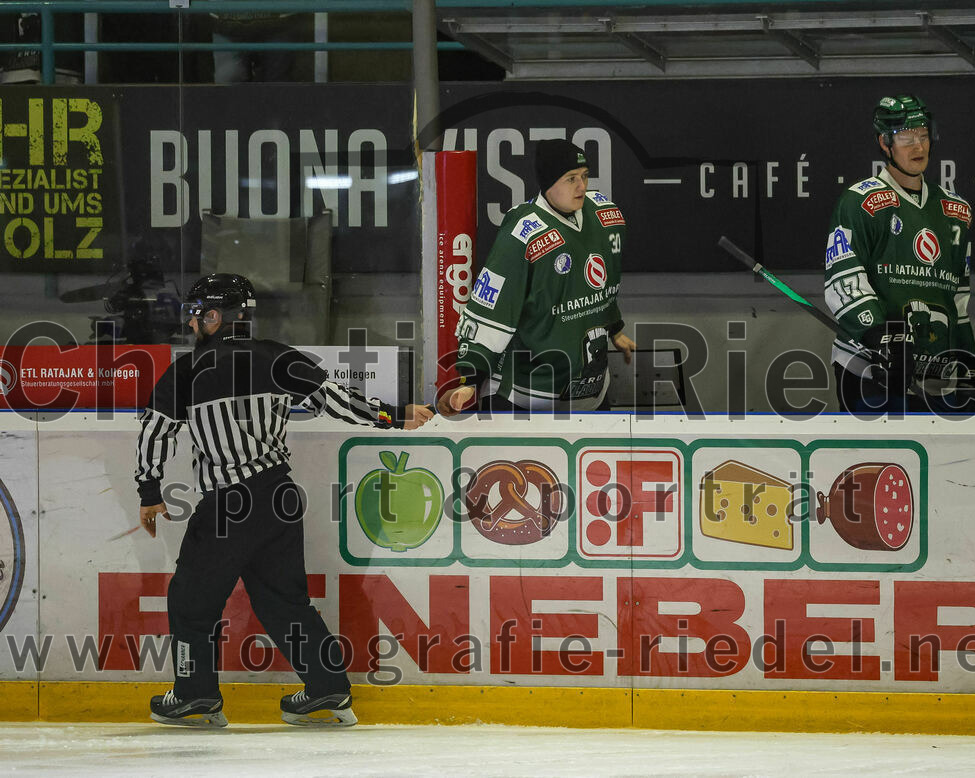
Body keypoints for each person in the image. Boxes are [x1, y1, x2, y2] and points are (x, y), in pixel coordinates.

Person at [136, 273, 434, 728]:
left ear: (215, 317)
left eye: (197, 315)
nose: (193, 324)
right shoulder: (278, 357)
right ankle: (327, 689)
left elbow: (155, 431)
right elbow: (336, 400)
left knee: (190, 602)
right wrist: (393, 416)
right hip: (278, 496)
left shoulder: (186, 370)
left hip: (228, 505)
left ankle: (195, 696)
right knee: (284, 601)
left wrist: (150, 491)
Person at [438, 139, 635, 415]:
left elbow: (601, 288)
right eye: (570, 178)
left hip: (587, 392)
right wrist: (471, 379)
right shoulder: (523, 234)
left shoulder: (606, 216)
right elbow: (492, 306)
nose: (582, 186)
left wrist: (614, 328)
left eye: (585, 176)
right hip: (524, 395)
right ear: (548, 183)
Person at [823, 94, 975, 413]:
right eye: (906, 138)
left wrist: (966, 359)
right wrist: (878, 333)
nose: (918, 147)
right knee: (876, 463)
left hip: (934, 375)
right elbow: (843, 280)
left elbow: (958, 297)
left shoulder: (957, 210)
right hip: (869, 370)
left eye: (923, 136)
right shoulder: (860, 202)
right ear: (884, 143)